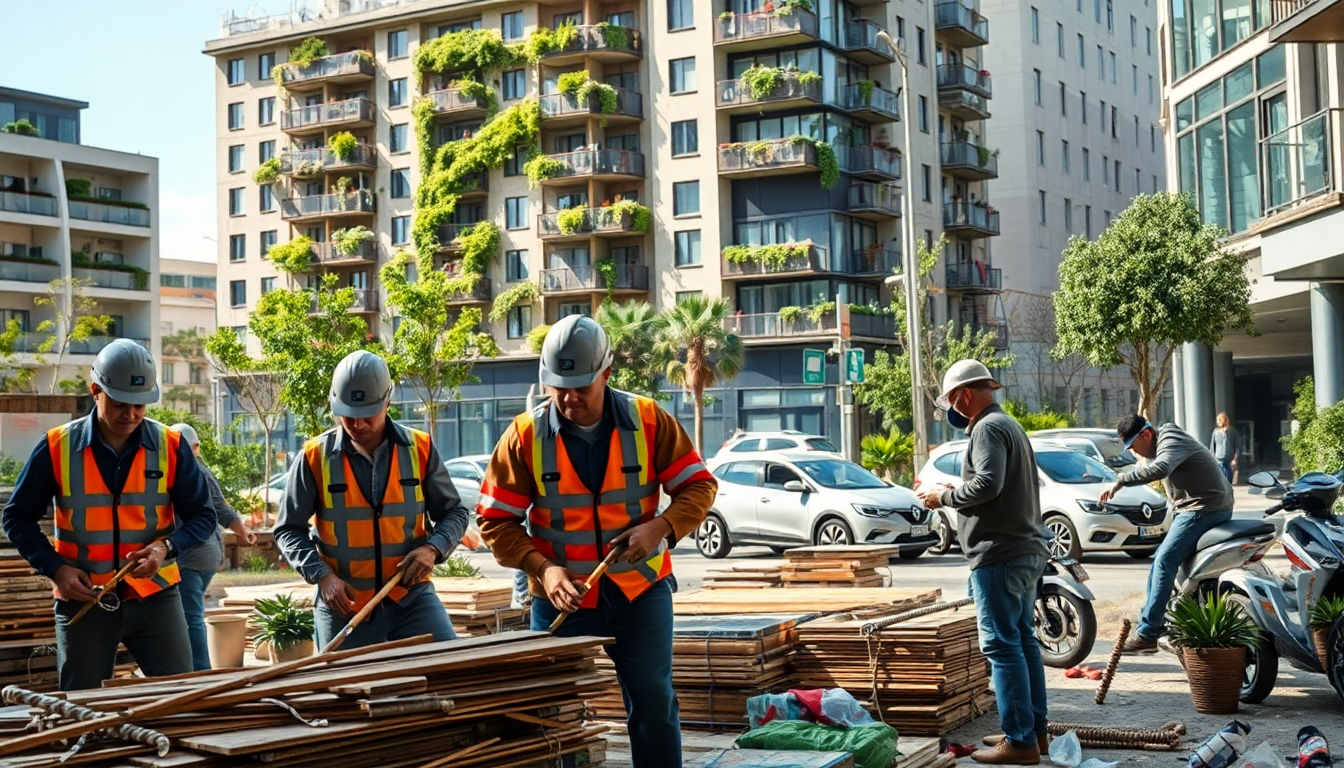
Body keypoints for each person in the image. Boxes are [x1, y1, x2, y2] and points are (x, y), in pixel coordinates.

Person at [477, 316, 717, 768]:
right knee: (552, 712)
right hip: (560, 601)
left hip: (640, 593)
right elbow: (494, 520)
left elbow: (698, 486)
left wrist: (660, 528)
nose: (568, 399)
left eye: (580, 387)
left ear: (607, 374)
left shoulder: (649, 420)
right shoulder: (524, 436)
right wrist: (543, 570)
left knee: (653, 703)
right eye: (558, 387)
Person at [0, 340, 217, 690]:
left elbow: (202, 516)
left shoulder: (171, 446)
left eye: (139, 405)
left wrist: (166, 548)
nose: (130, 415)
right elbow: (16, 518)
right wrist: (56, 569)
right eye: (119, 404)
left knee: (179, 702)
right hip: (83, 599)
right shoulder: (57, 447)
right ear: (95, 391)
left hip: (156, 598)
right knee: (82, 711)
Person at [274, 350, 469, 650]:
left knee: (447, 671)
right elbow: (288, 530)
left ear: (387, 403)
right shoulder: (314, 457)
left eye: (367, 415)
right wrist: (323, 577)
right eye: (349, 415)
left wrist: (433, 549)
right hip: (342, 605)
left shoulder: (420, 449)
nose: (358, 424)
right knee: (340, 690)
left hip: (410, 598)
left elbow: (454, 513)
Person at [918, 360, 1049, 765]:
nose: (952, 410)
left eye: (951, 402)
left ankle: (1020, 740)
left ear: (964, 395)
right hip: (1022, 549)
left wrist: (944, 497)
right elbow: (995, 483)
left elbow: (988, 484)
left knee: (1002, 646)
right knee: (1024, 642)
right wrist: (957, 490)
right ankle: (1034, 733)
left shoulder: (988, 428)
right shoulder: (1007, 425)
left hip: (999, 553)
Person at [1101, 414, 1234, 653]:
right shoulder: (1161, 443)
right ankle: (1155, 619)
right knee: (1161, 561)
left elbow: (1160, 469)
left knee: (1164, 561)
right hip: (1194, 509)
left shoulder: (1170, 438)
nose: (1136, 453)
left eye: (1133, 447)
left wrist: (1121, 481)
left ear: (1146, 434)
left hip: (1206, 508)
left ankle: (1148, 633)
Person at [169, 422, 257, 671]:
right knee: (187, 614)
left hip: (192, 555)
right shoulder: (199, 469)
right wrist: (242, 530)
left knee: (191, 617)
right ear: (195, 446)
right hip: (204, 554)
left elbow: (219, 508)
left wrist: (241, 530)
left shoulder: (187, 470)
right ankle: (191, 668)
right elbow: (221, 507)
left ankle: (200, 671)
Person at [1209, 412, 1239, 484]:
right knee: (1219, 477)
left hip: (1229, 459)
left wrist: (1235, 458)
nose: (1218, 422)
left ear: (1224, 420)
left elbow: (1237, 447)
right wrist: (1212, 457)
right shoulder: (1215, 432)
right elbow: (1212, 446)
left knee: (1228, 477)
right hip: (1218, 458)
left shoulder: (1233, 432)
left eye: (1220, 420)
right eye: (1218, 420)